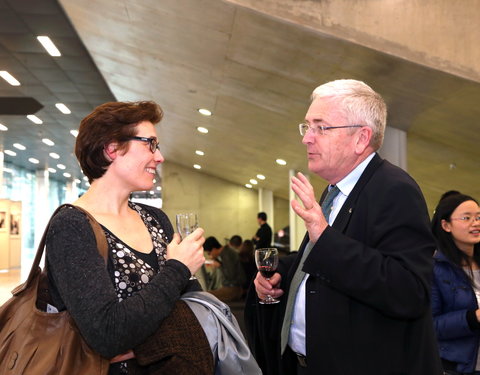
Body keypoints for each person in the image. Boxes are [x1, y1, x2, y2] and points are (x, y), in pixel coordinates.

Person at [248, 79, 442, 374]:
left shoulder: (394, 189)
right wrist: (282, 274)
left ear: (361, 138)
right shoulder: (334, 191)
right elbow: (331, 264)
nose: (307, 138)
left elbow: (408, 290)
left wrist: (324, 237)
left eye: (320, 127)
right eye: (307, 126)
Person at [45, 101, 206, 374]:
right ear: (112, 149)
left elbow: (191, 309)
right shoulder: (72, 226)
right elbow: (108, 334)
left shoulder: (156, 219)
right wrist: (178, 268)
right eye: (150, 144)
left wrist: (144, 344)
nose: (160, 157)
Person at [431, 192, 480, 374]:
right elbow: (430, 326)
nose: (476, 223)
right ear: (446, 225)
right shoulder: (436, 269)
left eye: (478, 217)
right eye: (466, 218)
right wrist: (472, 317)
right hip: (457, 367)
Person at [204, 236, 245, 302]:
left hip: (234, 288)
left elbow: (230, 276)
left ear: (214, 249)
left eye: (209, 253)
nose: (210, 255)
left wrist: (219, 266)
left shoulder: (227, 254)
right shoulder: (225, 252)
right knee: (205, 294)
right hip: (230, 287)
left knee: (205, 296)